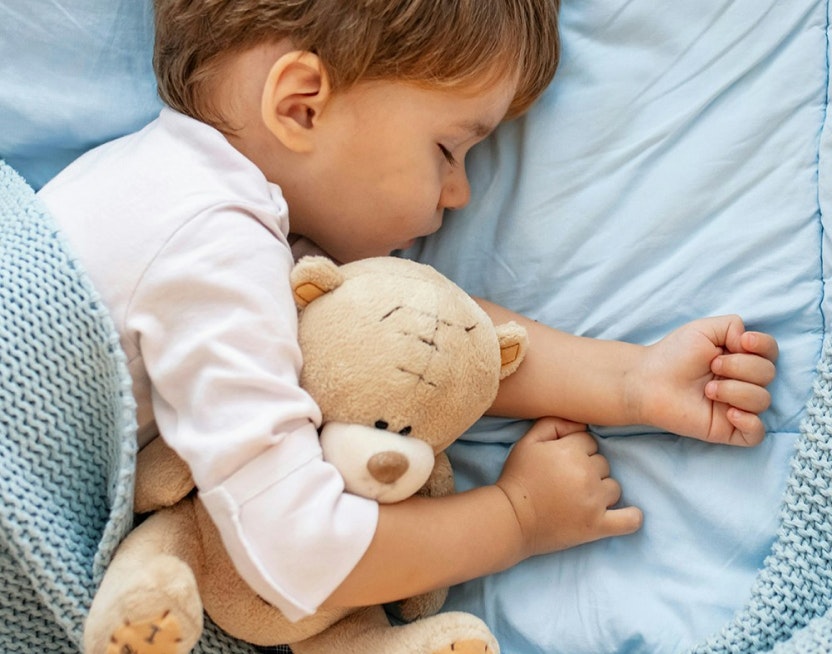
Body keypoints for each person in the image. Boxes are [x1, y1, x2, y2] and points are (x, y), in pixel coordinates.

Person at [38, 0, 778, 623]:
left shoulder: (186, 197)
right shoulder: (209, 243)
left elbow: (410, 338)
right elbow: (296, 553)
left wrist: (633, 382)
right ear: (302, 104)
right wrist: (517, 520)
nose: (457, 195)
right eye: (449, 148)